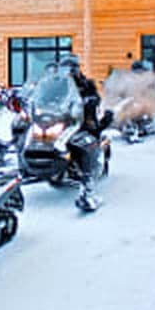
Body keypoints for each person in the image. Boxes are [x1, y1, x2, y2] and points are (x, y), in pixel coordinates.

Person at [58, 54, 112, 211]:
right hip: (63, 119)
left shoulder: (85, 83)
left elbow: (95, 97)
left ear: (76, 68)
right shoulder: (59, 84)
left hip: (83, 120)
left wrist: (89, 100)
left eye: (71, 68)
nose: (68, 72)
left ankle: (88, 186)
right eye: (65, 68)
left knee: (85, 144)